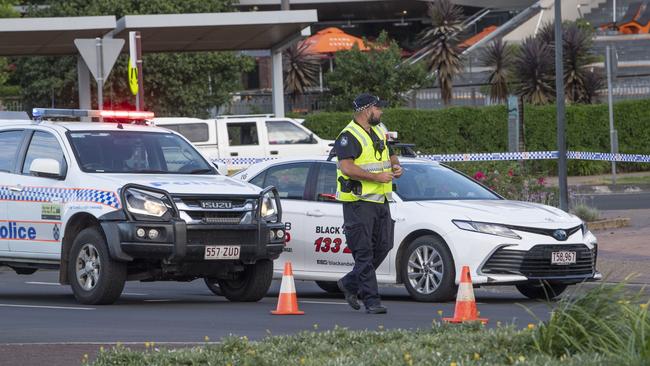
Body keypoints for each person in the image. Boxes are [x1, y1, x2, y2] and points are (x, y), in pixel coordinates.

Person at [334, 93, 402, 314]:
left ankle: (350, 283)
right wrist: (376, 178)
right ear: (367, 110)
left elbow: (390, 153)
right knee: (363, 252)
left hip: (381, 200)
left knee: (383, 246)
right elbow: (347, 167)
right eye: (378, 108)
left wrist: (396, 166)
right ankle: (372, 301)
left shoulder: (380, 129)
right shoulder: (348, 135)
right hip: (358, 203)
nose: (381, 112)